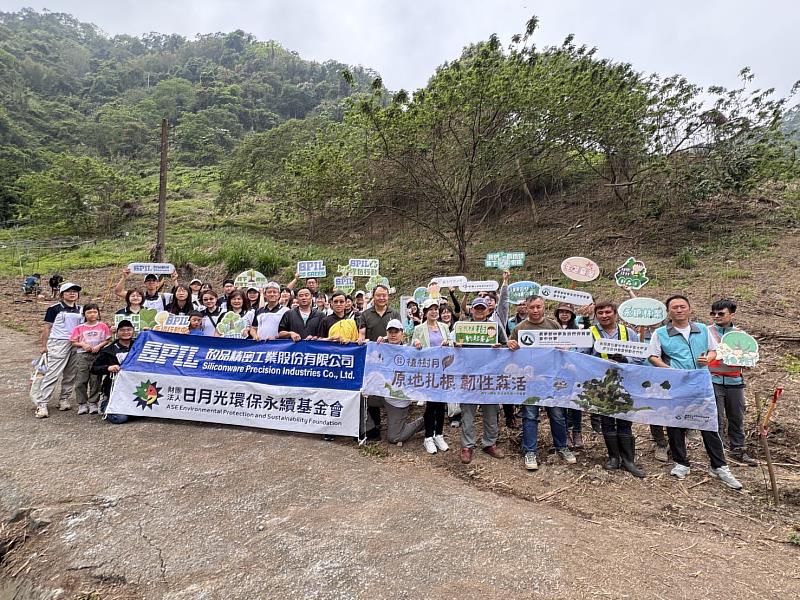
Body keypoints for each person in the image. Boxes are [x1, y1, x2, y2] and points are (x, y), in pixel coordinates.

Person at [647, 295, 743, 490]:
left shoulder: (702, 330)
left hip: (701, 382)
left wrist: (708, 358)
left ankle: (719, 465)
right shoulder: (661, 333)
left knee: (709, 423)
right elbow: (652, 355)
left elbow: (714, 351)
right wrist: (667, 369)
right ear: (669, 312)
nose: (679, 310)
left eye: (682, 306)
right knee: (675, 423)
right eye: (674, 307)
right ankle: (681, 463)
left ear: (690, 309)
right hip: (675, 383)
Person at [507, 295, 575, 471]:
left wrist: (564, 347)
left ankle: (562, 447)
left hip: (552, 378)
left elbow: (565, 348)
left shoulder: (553, 325)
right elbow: (511, 350)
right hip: (530, 380)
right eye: (532, 307)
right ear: (526, 309)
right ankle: (530, 451)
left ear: (544, 307)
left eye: (538, 307)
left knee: (558, 415)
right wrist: (511, 344)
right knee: (530, 416)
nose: (535, 310)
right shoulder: (520, 328)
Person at [585, 301, 645, 477]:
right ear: (596, 315)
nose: (604, 315)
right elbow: (581, 357)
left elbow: (641, 357)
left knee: (625, 421)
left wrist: (625, 360)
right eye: (600, 313)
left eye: (608, 312)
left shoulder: (629, 333)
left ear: (615, 313)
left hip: (626, 383)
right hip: (602, 384)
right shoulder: (590, 333)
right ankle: (613, 458)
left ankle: (629, 460)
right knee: (607, 421)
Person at [454, 296, 508, 464]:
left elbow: (506, 347)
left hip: (490, 376)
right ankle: (467, 446)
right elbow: (451, 346)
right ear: (472, 309)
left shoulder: (495, 327)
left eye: (482, 308)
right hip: (468, 375)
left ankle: (489, 443)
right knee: (468, 412)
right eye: (476, 308)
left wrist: (500, 348)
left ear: (488, 310)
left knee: (491, 411)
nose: (479, 310)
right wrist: (456, 345)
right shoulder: (462, 327)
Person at [708, 299, 757, 466]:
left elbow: (749, 358)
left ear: (732, 314)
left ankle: (738, 450)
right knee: (717, 417)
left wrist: (747, 362)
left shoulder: (740, 335)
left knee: (737, 417)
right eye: (713, 313)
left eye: (721, 313)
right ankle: (718, 453)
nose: (716, 316)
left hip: (735, 380)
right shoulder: (705, 332)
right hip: (712, 379)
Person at [33, 282, 84, 418]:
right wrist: (43, 346)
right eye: (68, 291)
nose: (72, 293)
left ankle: (64, 399)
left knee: (71, 373)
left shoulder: (81, 309)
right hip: (58, 342)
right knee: (53, 373)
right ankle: (42, 403)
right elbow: (47, 328)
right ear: (62, 294)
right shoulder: (54, 308)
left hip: (76, 343)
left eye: (75, 291)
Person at [357, 284, 400, 441]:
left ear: (388, 296)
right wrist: (362, 340)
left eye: (384, 295)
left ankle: (394, 425)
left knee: (390, 389)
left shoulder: (394, 313)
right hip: (372, 360)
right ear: (373, 296)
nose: (382, 298)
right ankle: (374, 427)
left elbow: (401, 334)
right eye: (379, 295)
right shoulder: (366, 314)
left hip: (390, 360)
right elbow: (361, 334)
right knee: (372, 391)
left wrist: (387, 339)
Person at [411, 299, 452, 454]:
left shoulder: (444, 327)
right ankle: (428, 436)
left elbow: (451, 344)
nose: (434, 312)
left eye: (436, 309)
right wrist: (416, 344)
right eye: (430, 309)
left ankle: (439, 434)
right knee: (431, 405)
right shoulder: (420, 329)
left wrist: (448, 343)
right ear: (425, 312)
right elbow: (412, 348)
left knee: (441, 404)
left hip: (443, 370)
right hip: (428, 372)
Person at [377, 319, 426, 444]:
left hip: (397, 399)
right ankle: (370, 426)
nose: (393, 335)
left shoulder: (409, 349)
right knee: (360, 399)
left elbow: (424, 360)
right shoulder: (380, 347)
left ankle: (424, 421)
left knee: (395, 437)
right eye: (390, 332)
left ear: (402, 334)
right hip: (380, 394)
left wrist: (417, 345)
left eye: (396, 332)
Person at [554, 302, 587, 448]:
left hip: (575, 371)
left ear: (572, 315)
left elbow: (583, 347)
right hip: (557, 372)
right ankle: (565, 432)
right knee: (561, 402)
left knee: (576, 402)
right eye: (561, 312)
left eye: (567, 312)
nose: (564, 314)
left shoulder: (579, 329)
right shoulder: (552, 329)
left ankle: (577, 431)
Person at [69, 303, 111, 415]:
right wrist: (82, 345)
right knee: (81, 380)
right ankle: (82, 403)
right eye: (89, 312)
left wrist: (99, 346)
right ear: (84, 314)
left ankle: (93, 402)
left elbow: (107, 339)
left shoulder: (103, 326)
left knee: (96, 380)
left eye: (94, 312)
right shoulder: (79, 328)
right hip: (82, 355)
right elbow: (73, 342)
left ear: (98, 313)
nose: (92, 314)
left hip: (97, 355)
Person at [91, 319, 135, 424]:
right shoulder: (108, 350)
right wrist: (108, 368)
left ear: (133, 331)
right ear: (117, 332)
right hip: (114, 390)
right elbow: (94, 368)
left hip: (133, 389)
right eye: (122, 330)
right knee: (119, 418)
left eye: (129, 330)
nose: (126, 332)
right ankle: (105, 403)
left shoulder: (139, 346)